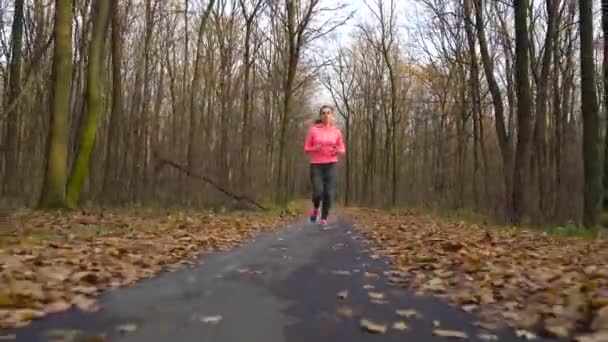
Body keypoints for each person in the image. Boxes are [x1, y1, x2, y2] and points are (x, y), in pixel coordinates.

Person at [303, 105, 345, 225]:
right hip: (316, 165)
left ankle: (324, 218)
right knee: (318, 192)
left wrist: (337, 150)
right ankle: (316, 209)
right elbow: (306, 148)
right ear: (320, 116)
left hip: (331, 164)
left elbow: (342, 149)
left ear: (332, 116)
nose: (326, 115)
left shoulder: (336, 132)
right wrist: (314, 148)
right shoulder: (313, 130)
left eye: (328, 113)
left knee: (328, 193)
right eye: (323, 113)